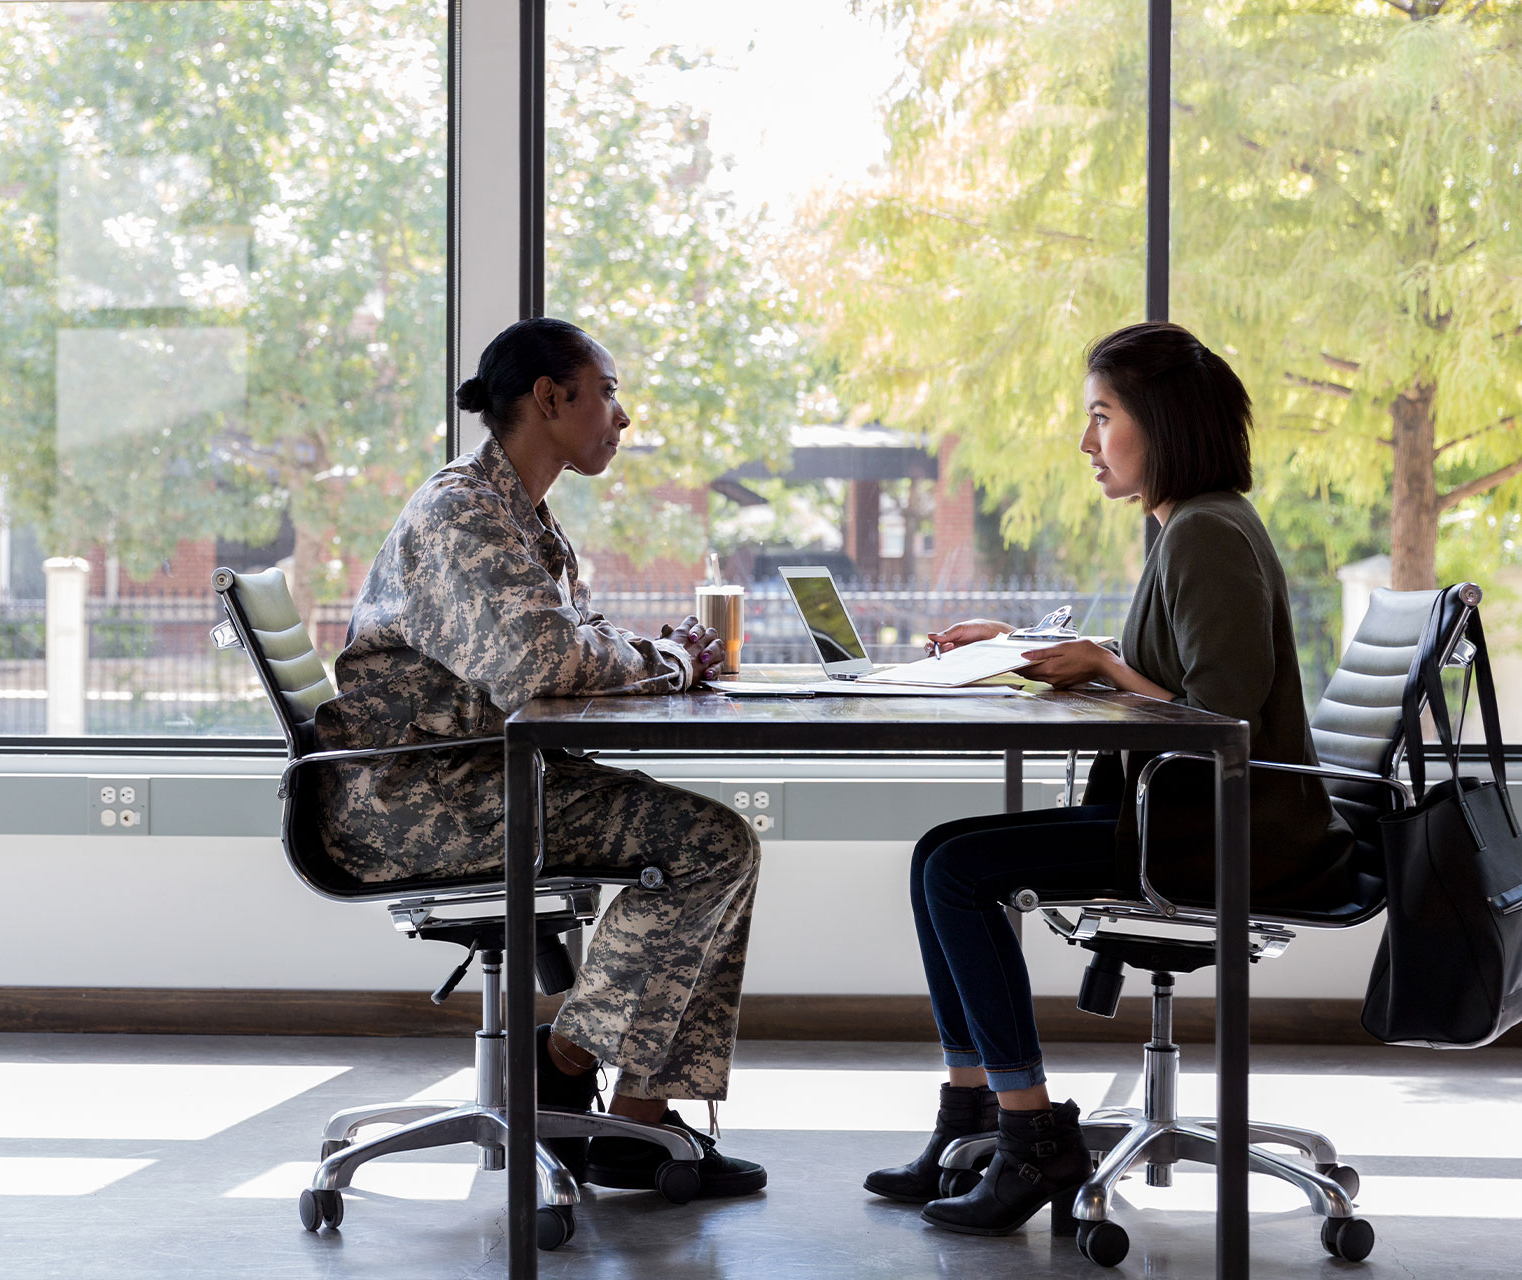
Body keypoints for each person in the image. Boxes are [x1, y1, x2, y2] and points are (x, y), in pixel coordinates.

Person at [867, 321, 1355, 1235]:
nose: (1087, 443)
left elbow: (1221, 720)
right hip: (1192, 818)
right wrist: (1023, 648)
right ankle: (973, 1117)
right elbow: (1160, 667)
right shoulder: (1187, 526)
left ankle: (1027, 1136)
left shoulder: (1205, 532)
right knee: (941, 855)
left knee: (951, 870)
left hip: (1220, 834)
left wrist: (1098, 663)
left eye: (1103, 417)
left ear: (1161, 425)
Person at [313, 317, 767, 1197]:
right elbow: (538, 662)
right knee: (709, 846)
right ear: (550, 398)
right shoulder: (461, 513)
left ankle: (604, 1094)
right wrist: (663, 662)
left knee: (705, 841)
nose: (622, 417)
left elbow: (562, 638)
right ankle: (591, 1083)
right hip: (420, 801)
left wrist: (646, 655)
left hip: (475, 775)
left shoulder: (513, 510)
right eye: (608, 392)